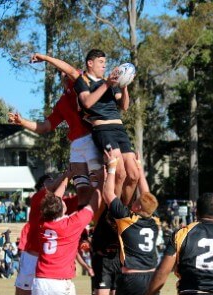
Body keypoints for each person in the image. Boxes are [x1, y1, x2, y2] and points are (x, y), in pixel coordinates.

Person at [31, 50, 140, 205]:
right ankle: (113, 214)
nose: (104, 65)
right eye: (101, 62)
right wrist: (45, 58)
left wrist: (124, 86)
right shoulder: (82, 81)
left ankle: (125, 211)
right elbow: (85, 99)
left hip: (119, 130)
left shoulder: (109, 82)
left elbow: (124, 106)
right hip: (103, 130)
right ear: (90, 63)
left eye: (105, 62)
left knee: (134, 175)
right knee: (120, 173)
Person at [8, 67, 101, 210]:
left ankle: (108, 223)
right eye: (62, 73)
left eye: (68, 73)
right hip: (76, 145)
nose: (65, 75)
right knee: (82, 190)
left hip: (92, 139)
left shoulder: (86, 92)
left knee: (98, 186)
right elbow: (45, 126)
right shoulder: (62, 102)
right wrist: (23, 122)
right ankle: (85, 230)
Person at [103, 151, 160, 295]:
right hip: (152, 277)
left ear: (136, 207)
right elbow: (147, 195)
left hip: (132, 275)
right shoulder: (155, 222)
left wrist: (112, 166)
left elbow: (108, 194)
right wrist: (139, 168)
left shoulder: (127, 219)